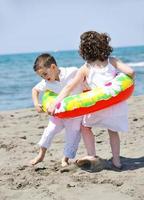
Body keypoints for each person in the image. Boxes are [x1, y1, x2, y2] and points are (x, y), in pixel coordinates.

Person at [48, 31, 135, 170]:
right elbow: (130, 72)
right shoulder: (112, 60)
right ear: (103, 45)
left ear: (84, 50)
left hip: (97, 107)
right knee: (112, 131)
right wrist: (118, 77)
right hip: (115, 106)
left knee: (85, 126)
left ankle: (92, 155)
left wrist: (56, 103)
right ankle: (117, 161)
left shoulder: (85, 68)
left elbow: (69, 87)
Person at [30, 53, 84, 167]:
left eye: (45, 74)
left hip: (75, 112)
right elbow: (35, 90)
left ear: (53, 67)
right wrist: (36, 104)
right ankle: (41, 154)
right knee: (49, 131)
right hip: (58, 113)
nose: (44, 78)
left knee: (72, 135)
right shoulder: (47, 82)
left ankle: (65, 159)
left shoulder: (72, 72)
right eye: (41, 76)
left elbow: (85, 77)